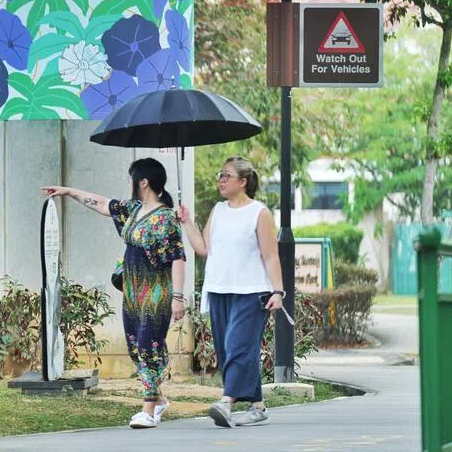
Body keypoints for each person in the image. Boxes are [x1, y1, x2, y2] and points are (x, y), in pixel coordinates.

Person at [42, 158, 186, 430]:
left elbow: (178, 259)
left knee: (148, 345)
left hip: (156, 291)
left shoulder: (167, 217)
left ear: (143, 182)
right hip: (132, 290)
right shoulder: (134, 209)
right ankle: (159, 399)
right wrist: (68, 191)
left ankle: (147, 409)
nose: (129, 184)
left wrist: (178, 298)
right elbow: (102, 203)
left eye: (132, 178)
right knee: (135, 347)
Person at [178, 156, 285, 428]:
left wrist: (278, 291)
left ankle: (226, 402)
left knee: (239, 345)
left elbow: (271, 255)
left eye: (226, 175)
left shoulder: (259, 213)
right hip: (219, 289)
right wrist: (186, 222)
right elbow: (203, 247)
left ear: (243, 181)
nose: (221, 180)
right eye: (220, 175)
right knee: (228, 350)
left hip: (252, 291)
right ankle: (257, 406)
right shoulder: (218, 209)